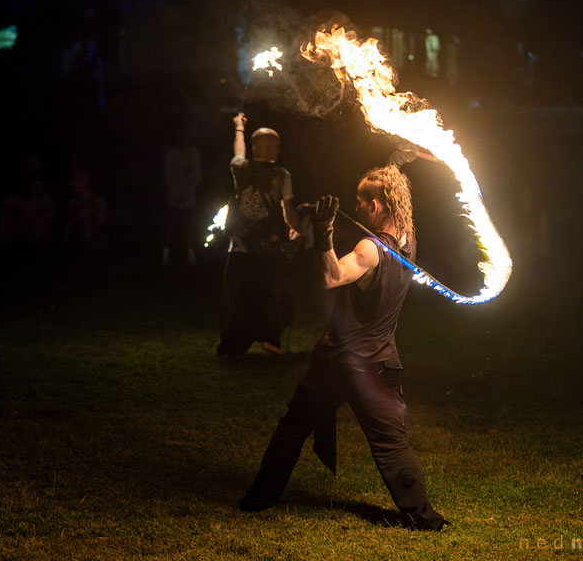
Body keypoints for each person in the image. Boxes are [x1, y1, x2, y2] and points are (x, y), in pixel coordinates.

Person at [239, 165, 447, 531]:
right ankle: (423, 517)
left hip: (339, 362)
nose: (356, 205)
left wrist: (323, 233)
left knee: (293, 428)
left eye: (361, 201)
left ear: (377, 205)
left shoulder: (369, 249)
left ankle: (259, 499)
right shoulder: (409, 240)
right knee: (391, 443)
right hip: (379, 363)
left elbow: (330, 276)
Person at [217, 112, 301, 356]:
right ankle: (237, 342)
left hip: (263, 246)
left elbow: (287, 209)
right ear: (260, 145)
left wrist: (295, 232)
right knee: (243, 297)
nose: (276, 148)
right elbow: (239, 153)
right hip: (248, 246)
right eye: (272, 144)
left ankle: (265, 339)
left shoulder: (278, 174)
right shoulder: (246, 170)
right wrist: (239, 130)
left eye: (276, 144)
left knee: (261, 296)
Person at [162, 132, 202, 266]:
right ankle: (167, 254)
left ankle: (190, 253)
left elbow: (196, 177)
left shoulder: (194, 154)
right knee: (171, 226)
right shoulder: (171, 153)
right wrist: (176, 194)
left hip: (189, 199)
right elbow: (168, 175)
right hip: (173, 198)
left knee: (188, 227)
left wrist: (186, 194)